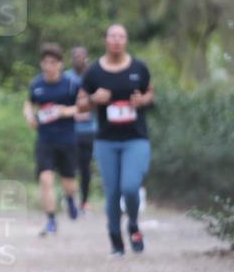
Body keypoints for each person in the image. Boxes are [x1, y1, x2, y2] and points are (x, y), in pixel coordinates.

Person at [77, 24, 154, 255]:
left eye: (121, 36)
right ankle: (115, 239)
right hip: (106, 141)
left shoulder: (139, 68)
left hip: (136, 139)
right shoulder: (94, 72)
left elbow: (150, 93)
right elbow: (80, 104)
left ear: (126, 40)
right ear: (106, 40)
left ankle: (132, 223)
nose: (117, 40)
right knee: (112, 193)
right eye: (113, 36)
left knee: (130, 187)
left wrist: (143, 100)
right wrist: (93, 99)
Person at [24, 43, 79, 236]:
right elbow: (29, 104)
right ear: (42, 64)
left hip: (67, 140)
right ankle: (51, 220)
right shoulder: (37, 84)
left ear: (60, 64)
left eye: (54, 62)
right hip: (45, 140)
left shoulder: (71, 84)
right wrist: (30, 116)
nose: (50, 66)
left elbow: (83, 108)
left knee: (68, 182)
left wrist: (66, 111)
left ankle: (71, 198)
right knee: (45, 179)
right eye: (46, 62)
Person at [70, 46, 98, 213]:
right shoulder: (66, 77)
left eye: (82, 56)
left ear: (87, 57)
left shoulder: (94, 76)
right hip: (70, 130)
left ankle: (84, 201)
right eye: (76, 56)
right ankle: (70, 199)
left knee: (85, 167)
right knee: (70, 167)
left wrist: (89, 108)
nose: (79, 59)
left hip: (89, 130)